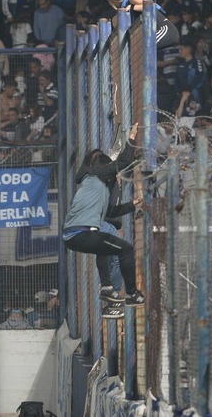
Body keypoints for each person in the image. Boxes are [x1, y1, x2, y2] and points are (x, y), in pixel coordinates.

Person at [63, 124, 145, 315]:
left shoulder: (96, 187)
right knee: (127, 249)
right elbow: (123, 162)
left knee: (104, 247)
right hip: (81, 233)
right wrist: (131, 139)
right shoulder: (94, 176)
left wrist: (132, 204)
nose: (113, 176)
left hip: (74, 236)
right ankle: (132, 294)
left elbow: (112, 211)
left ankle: (107, 288)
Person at [103, 0, 179, 49]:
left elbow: (150, 7)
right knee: (137, 49)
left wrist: (132, 7)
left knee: (145, 45)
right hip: (153, 32)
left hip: (164, 29)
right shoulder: (122, 9)